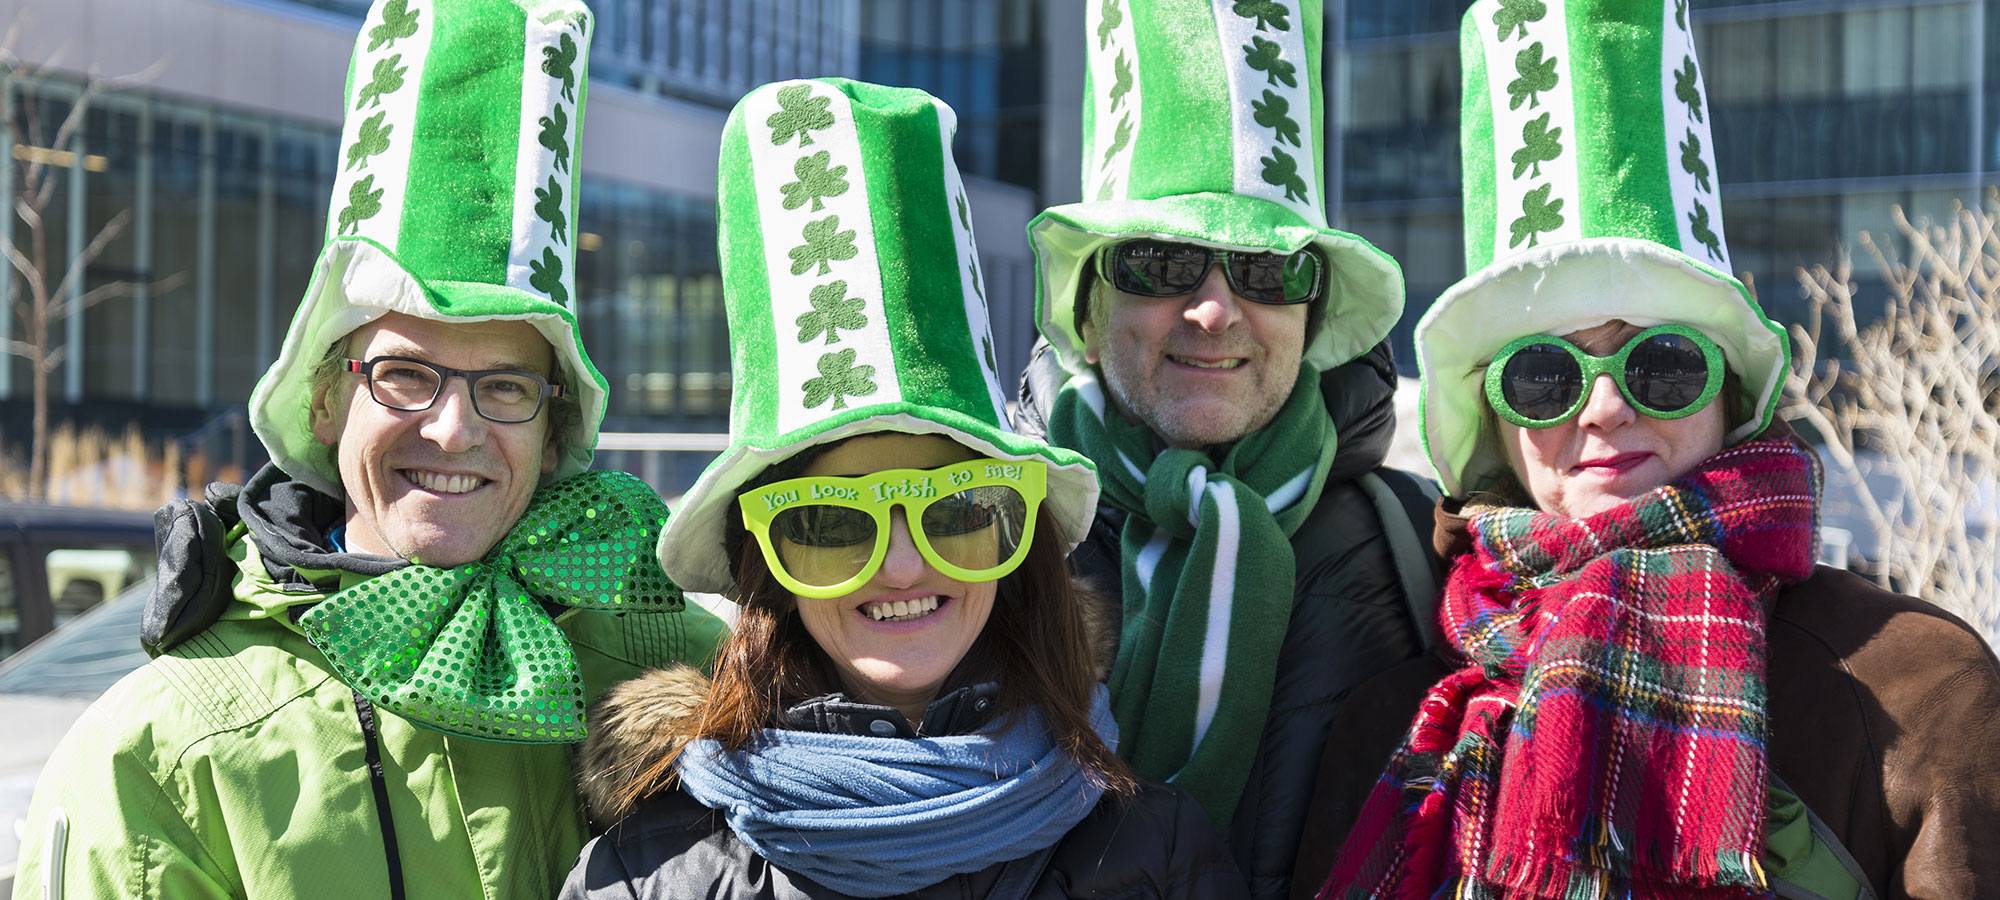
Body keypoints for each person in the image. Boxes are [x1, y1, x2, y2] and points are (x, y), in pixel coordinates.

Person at [9, 2, 728, 897]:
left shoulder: (699, 674)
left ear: (553, 434)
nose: (454, 430)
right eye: (404, 374)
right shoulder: (159, 756)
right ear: (325, 400)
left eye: (506, 387)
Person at [1298, 2, 2000, 897]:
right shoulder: (1388, 724)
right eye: (1543, 376)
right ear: (1495, 421)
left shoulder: (1918, 684)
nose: (1603, 409)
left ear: (1729, 391)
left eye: (1662, 365)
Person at [560, 78, 1248, 900]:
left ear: (1017, 533)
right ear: (765, 563)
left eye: (958, 507)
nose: (901, 566)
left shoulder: (1157, 852)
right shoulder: (648, 875)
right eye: (827, 523)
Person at [1011, 2, 1433, 896]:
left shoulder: (1427, 550)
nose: (1214, 310)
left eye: (1269, 270)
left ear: (1311, 313)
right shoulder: (975, 541)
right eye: (1160, 262)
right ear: (1088, 308)